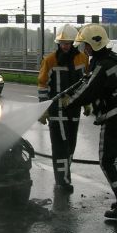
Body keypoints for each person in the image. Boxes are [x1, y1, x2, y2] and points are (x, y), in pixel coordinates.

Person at [60, 24, 117, 221]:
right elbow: (89, 83)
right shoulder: (108, 60)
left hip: (116, 118)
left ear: (94, 44)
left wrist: (69, 103)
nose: (83, 49)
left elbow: (89, 90)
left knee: (109, 161)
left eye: (85, 45)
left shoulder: (104, 64)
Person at [37, 24, 90, 192]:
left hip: (74, 108)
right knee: (60, 144)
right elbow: (43, 84)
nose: (65, 46)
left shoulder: (82, 59)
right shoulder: (50, 60)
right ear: (58, 43)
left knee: (71, 144)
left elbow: (86, 81)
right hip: (56, 109)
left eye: (68, 43)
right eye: (62, 43)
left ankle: (65, 175)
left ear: (73, 42)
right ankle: (62, 181)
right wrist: (43, 107)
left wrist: (87, 102)